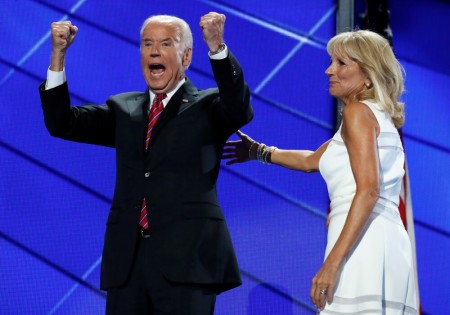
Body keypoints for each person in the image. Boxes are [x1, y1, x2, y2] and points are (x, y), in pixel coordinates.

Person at [39, 12, 253, 315]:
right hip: (128, 262)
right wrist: (58, 56)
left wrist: (217, 47)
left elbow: (239, 107)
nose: (154, 51)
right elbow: (62, 123)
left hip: (188, 263)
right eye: (147, 44)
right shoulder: (124, 108)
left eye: (166, 44)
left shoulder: (208, 106)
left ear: (186, 55)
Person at [223, 30, 418, 314]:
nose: (329, 70)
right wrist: (258, 151)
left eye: (341, 63)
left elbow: (369, 190)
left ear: (368, 73)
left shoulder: (358, 113)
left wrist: (331, 264)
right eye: (331, 62)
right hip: (381, 243)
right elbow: (312, 160)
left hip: (363, 247)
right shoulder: (375, 116)